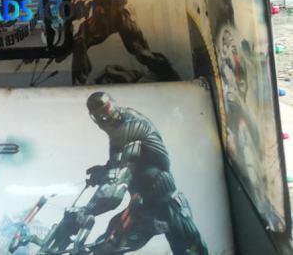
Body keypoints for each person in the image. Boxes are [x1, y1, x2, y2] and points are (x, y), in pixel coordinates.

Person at [74, 92, 208, 254]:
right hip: (142, 209)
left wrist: (88, 210)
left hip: (167, 206)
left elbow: (116, 187)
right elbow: (126, 163)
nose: (105, 118)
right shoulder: (123, 129)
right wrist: (104, 171)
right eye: (99, 115)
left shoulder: (129, 129)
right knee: (105, 247)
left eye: (106, 111)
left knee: (191, 251)